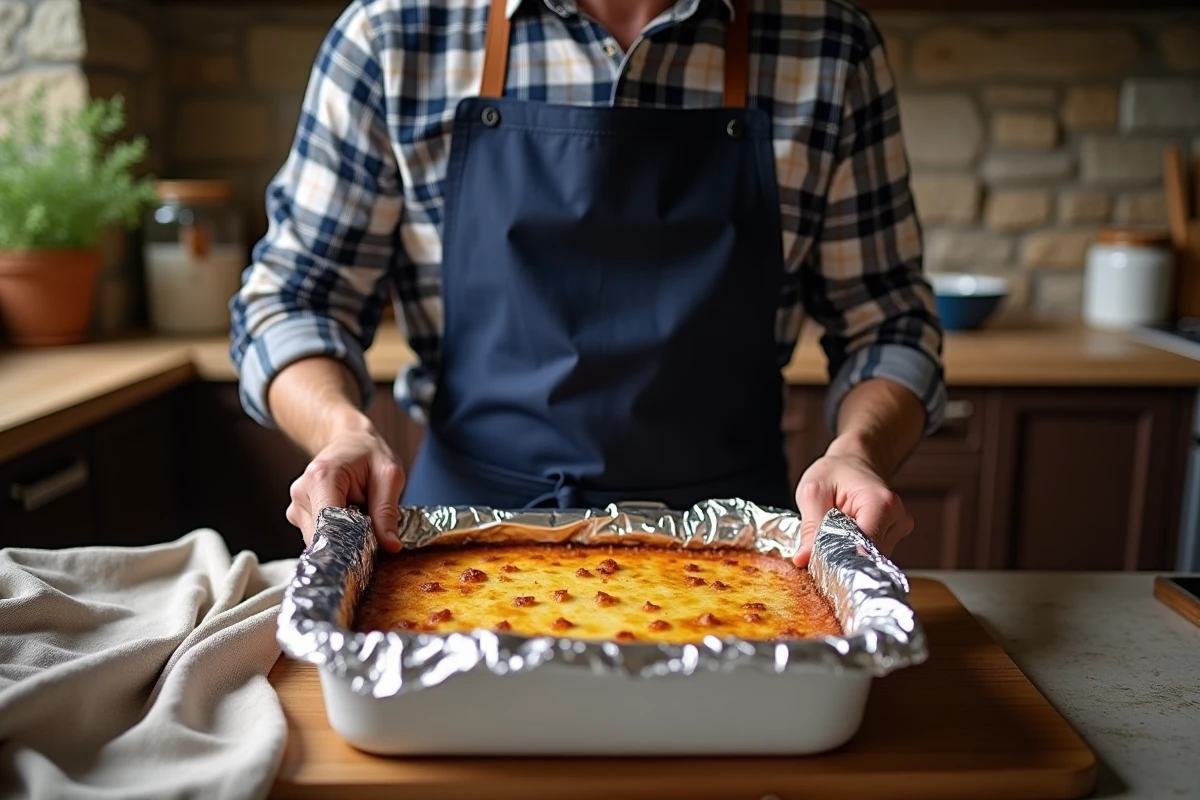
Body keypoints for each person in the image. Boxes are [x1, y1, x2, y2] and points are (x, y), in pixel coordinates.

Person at [230, 0, 945, 567]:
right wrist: (341, 429)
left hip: (742, 551)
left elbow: (888, 322)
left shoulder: (829, 44)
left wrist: (859, 450)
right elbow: (293, 299)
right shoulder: (393, 33)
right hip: (460, 542)